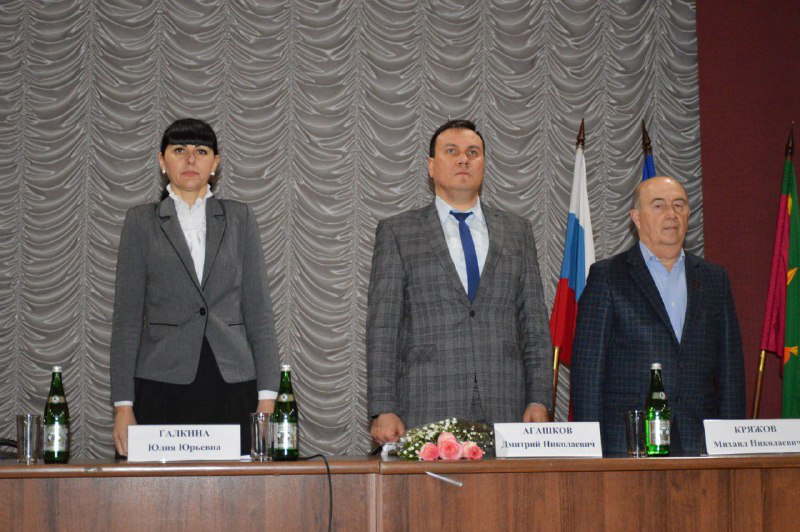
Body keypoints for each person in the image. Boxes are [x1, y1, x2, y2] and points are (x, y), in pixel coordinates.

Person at [367, 119, 552, 445]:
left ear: (483, 164)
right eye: (451, 151)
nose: (464, 159)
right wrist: (383, 408)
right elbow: (383, 328)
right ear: (431, 166)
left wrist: (539, 399)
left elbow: (535, 324)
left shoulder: (517, 231)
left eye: (473, 152)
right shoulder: (398, 232)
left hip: (507, 403)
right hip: (426, 401)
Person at [110, 118, 280, 456]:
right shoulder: (140, 222)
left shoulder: (240, 219)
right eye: (179, 150)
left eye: (201, 151)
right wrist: (122, 405)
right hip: (160, 384)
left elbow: (259, 313)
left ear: (215, 163)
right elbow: (126, 321)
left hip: (233, 383)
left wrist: (267, 398)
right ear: (162, 160)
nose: (190, 159)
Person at [571, 176, 745, 454]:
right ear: (637, 218)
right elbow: (588, 374)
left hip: (699, 441)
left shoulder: (714, 279)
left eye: (679, 205)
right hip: (628, 442)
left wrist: (734, 447)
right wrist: (589, 450)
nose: (671, 214)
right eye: (659, 206)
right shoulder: (608, 277)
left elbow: (731, 373)